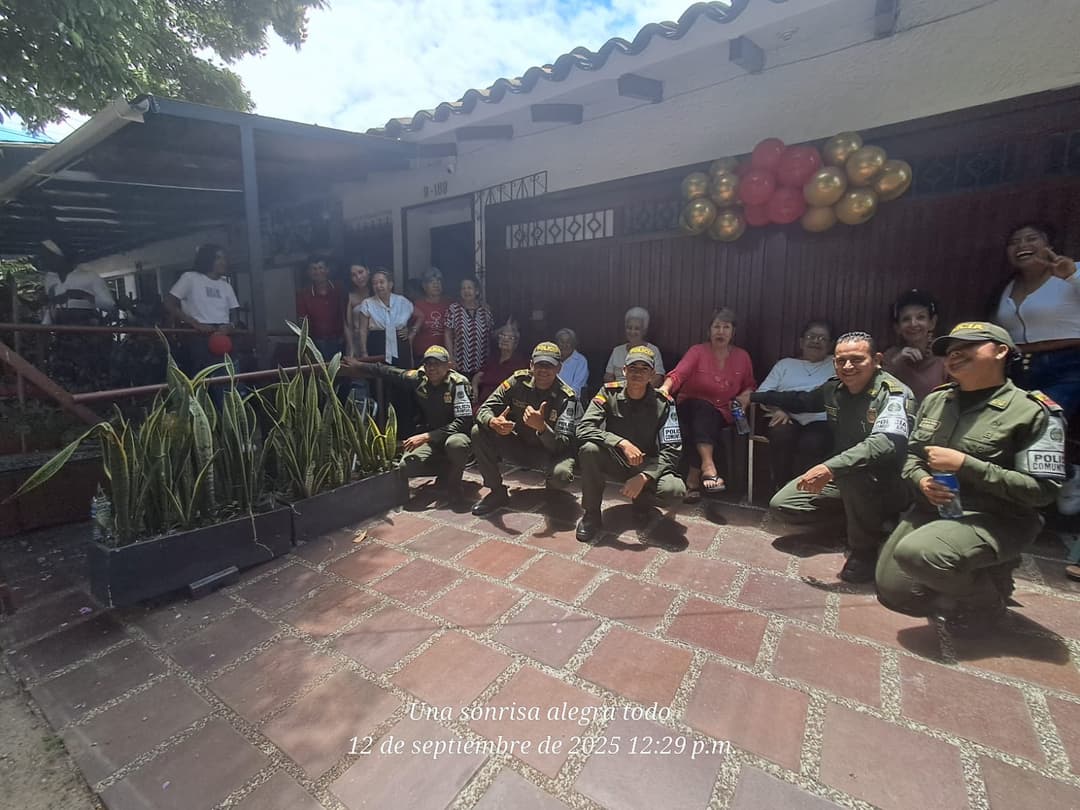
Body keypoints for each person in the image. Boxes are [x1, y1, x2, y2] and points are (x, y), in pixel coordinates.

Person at [876, 322, 1066, 633]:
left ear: (1001, 351)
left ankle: (988, 603)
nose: (955, 355)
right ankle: (960, 569)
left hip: (996, 516)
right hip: (936, 508)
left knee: (918, 555)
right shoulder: (937, 400)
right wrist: (922, 480)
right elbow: (911, 456)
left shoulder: (1034, 412)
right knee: (895, 593)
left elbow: (1042, 491)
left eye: (968, 346)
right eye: (950, 351)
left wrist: (966, 465)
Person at [750, 332, 916, 583]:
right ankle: (856, 525)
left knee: (854, 476)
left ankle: (865, 551)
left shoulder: (893, 394)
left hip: (885, 481)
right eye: (841, 361)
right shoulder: (834, 389)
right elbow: (801, 400)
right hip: (843, 474)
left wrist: (829, 468)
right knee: (783, 505)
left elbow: (886, 443)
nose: (847, 366)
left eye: (857, 359)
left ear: (877, 359)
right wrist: (754, 396)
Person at [574, 345, 686, 541]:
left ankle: (642, 501)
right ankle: (591, 514)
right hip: (616, 459)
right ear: (624, 370)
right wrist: (620, 442)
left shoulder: (664, 403)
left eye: (644, 369)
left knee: (674, 490)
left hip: (647, 464)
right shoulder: (608, 393)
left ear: (652, 374)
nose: (638, 373)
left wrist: (644, 476)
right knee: (589, 449)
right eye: (633, 368)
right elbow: (583, 428)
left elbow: (672, 450)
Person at [343, 345, 474, 508]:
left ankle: (454, 487)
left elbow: (463, 422)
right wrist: (359, 365)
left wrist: (427, 436)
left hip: (456, 435)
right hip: (433, 439)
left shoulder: (459, 384)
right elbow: (389, 372)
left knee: (456, 445)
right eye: (428, 364)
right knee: (407, 466)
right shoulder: (419, 378)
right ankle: (446, 470)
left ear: (449, 365)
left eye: (437, 364)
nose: (432, 368)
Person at [470, 341, 579, 516]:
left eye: (549, 366)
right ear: (531, 365)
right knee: (479, 431)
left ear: (559, 368)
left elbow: (564, 444)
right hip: (518, 445)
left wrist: (542, 427)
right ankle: (497, 492)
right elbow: (485, 409)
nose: (543, 370)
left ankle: (553, 490)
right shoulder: (517, 381)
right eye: (539, 365)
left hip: (549, 453)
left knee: (561, 475)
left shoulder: (567, 397)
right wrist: (493, 422)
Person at [659, 307, 755, 501]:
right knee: (702, 410)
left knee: (707, 417)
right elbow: (679, 374)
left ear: (733, 332)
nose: (721, 331)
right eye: (716, 326)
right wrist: (664, 389)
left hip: (723, 412)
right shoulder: (698, 351)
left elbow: (750, 384)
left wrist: (746, 396)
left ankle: (695, 477)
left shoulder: (742, 357)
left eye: (726, 327)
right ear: (709, 331)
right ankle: (706, 467)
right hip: (689, 406)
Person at [993, 223, 1080, 419]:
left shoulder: (1074, 270)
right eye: (1014, 242)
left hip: (1068, 365)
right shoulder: (1005, 287)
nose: (1022, 245)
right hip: (1017, 368)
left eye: (1031, 239)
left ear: (1049, 245)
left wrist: (1072, 275)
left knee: (1040, 419)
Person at [756, 319, 836, 491]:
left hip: (821, 419)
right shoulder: (785, 364)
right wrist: (778, 409)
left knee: (813, 442)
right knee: (781, 434)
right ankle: (782, 487)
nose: (816, 341)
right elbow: (762, 394)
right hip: (786, 416)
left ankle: (805, 491)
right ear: (801, 342)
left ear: (830, 345)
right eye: (811, 336)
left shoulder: (835, 364)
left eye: (822, 338)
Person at [164, 243, 240, 375]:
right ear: (207, 259)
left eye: (224, 258)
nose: (223, 262)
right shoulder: (190, 278)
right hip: (198, 336)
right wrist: (194, 323)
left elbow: (235, 312)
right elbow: (169, 303)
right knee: (203, 380)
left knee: (230, 378)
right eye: (218, 258)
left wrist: (230, 325)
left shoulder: (225, 285)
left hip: (224, 336)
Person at [882, 289, 949, 402]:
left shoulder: (944, 354)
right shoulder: (890, 356)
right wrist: (896, 363)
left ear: (932, 323)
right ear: (897, 327)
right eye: (906, 319)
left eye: (921, 317)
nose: (913, 324)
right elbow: (876, 391)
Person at [37, 239, 116, 325]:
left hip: (86, 330)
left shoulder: (90, 276)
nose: (43, 261)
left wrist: (83, 295)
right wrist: (44, 327)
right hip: (60, 330)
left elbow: (110, 305)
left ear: (59, 257)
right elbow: (50, 308)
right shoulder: (49, 278)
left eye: (46, 257)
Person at [295, 255, 345, 360]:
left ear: (327, 270)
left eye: (320, 268)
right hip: (317, 343)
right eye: (314, 268)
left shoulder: (339, 288)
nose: (317, 272)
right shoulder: (304, 294)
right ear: (309, 272)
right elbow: (303, 322)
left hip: (341, 340)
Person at [445, 276, 495, 381]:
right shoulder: (453, 309)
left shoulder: (485, 310)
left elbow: (491, 333)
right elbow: (447, 334)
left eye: (469, 288)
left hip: (482, 363)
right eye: (463, 288)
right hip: (460, 363)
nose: (466, 291)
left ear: (476, 291)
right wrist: (450, 357)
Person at [605, 306, 665, 387]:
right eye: (629, 328)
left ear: (644, 331)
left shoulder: (653, 350)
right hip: (618, 394)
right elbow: (608, 376)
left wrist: (641, 392)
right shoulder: (617, 350)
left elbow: (658, 378)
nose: (632, 332)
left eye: (637, 328)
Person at [473, 321, 527, 406]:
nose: (505, 339)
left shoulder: (519, 364)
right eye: (502, 336)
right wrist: (475, 389)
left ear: (516, 344)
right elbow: (478, 376)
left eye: (510, 338)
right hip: (482, 403)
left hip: (501, 405)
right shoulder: (493, 358)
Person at [407, 267, 449, 357]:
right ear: (424, 286)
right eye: (431, 282)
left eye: (438, 281)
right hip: (422, 356)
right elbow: (408, 328)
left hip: (444, 356)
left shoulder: (450, 305)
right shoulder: (416, 306)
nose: (436, 285)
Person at [344, 262, 371, 358]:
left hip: (377, 340)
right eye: (354, 275)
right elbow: (348, 325)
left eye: (361, 272)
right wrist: (351, 347)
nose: (359, 277)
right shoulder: (350, 296)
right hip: (357, 342)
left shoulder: (378, 291)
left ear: (368, 270)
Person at [555, 328, 589, 399]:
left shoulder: (581, 360)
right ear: (557, 343)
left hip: (572, 400)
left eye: (568, 342)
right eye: (561, 341)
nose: (565, 345)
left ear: (574, 343)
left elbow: (577, 389)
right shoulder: (553, 358)